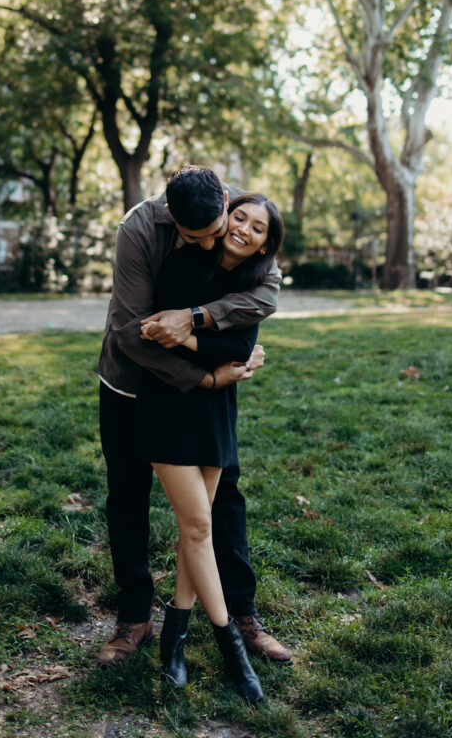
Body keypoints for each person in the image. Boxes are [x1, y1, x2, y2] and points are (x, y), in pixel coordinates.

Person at [96, 166, 292, 669]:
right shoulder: (138, 230)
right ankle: (135, 616)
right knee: (127, 494)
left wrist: (197, 319)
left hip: (197, 398)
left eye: (216, 233)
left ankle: (243, 614)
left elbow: (266, 292)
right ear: (171, 218)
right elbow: (126, 329)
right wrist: (202, 378)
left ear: (225, 201)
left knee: (223, 499)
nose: (210, 246)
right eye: (193, 238)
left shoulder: (237, 216)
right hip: (132, 384)